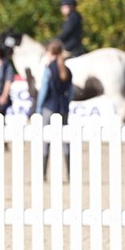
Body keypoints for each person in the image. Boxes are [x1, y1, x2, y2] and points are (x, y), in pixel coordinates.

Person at [33, 38, 73, 173]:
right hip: (63, 107)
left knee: (44, 139)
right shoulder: (67, 70)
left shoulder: (49, 69)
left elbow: (44, 89)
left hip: (49, 106)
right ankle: (69, 172)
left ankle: (43, 172)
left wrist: (38, 108)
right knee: (65, 139)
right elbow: (71, 93)